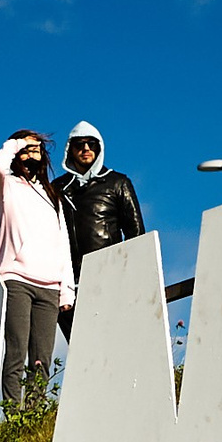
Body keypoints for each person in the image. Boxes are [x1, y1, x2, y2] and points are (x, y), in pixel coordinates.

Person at [0, 130, 74, 406]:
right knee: (16, 351)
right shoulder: (7, 186)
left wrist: (67, 289)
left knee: (42, 357)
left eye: (36, 149)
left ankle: (33, 414)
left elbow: (64, 243)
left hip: (49, 286)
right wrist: (17, 143)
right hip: (17, 280)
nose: (31, 153)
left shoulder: (53, 197)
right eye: (26, 149)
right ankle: (13, 415)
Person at [49, 120, 146, 337]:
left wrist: (134, 277)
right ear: (69, 149)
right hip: (69, 284)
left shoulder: (117, 182)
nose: (85, 149)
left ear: (99, 147)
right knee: (80, 347)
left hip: (109, 276)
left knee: (114, 339)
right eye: (79, 145)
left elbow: (136, 234)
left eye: (91, 144)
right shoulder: (57, 189)